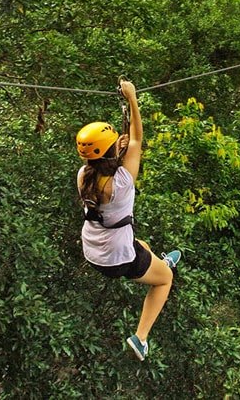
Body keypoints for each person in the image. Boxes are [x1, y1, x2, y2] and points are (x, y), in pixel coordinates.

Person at [75, 79, 180, 362]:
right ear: (112, 151)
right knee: (164, 280)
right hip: (115, 258)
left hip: (93, 249)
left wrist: (117, 149)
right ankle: (141, 337)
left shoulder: (84, 176)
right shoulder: (122, 181)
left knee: (140, 244)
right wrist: (132, 98)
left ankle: (159, 262)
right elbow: (136, 138)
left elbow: (118, 152)